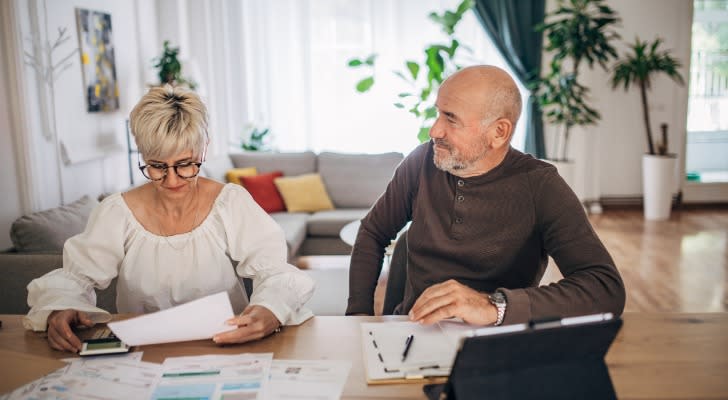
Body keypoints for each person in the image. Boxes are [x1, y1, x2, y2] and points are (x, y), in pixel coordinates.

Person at [24, 85, 315, 352]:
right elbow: (76, 277)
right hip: (141, 354)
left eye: (185, 164)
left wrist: (269, 309)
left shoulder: (230, 203)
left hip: (227, 346)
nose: (172, 180)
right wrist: (60, 307)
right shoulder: (117, 212)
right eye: (157, 166)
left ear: (204, 148)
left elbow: (275, 272)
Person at [346, 65, 625, 325]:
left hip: (495, 341)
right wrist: (358, 316)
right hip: (413, 333)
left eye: (451, 119)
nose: (434, 130)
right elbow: (373, 231)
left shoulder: (541, 186)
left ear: (499, 133)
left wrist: (494, 306)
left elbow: (604, 287)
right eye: (438, 113)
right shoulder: (421, 162)